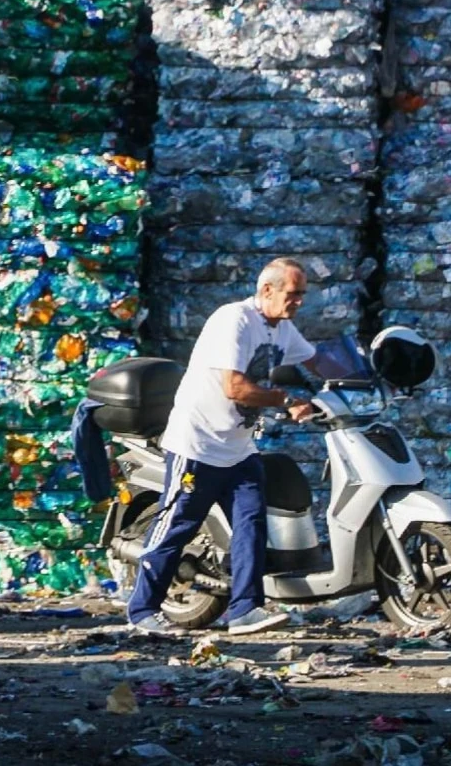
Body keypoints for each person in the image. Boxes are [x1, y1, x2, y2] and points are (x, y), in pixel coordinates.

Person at [128, 258, 320, 635]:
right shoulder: (234, 320)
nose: (298, 302)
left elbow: (319, 359)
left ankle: (244, 610)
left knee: (251, 524)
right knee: (178, 526)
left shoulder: (281, 329)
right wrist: (286, 401)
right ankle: (142, 611)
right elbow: (235, 388)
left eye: (302, 296)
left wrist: (368, 373)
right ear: (267, 289)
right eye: (292, 294)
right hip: (198, 445)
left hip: (238, 448)